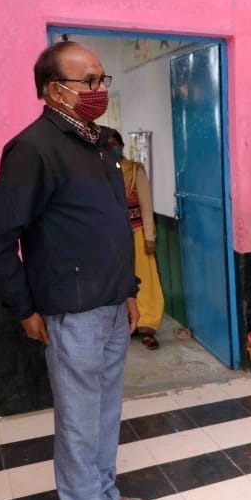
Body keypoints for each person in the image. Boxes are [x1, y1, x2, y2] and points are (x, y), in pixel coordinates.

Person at [0, 41, 155, 500]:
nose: (100, 89)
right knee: (79, 422)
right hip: (71, 311)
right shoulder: (34, 149)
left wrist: (128, 289)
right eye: (89, 81)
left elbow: (110, 226)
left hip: (111, 303)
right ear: (54, 90)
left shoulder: (98, 144)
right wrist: (23, 307)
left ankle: (103, 499)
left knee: (104, 413)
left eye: (102, 79)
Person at [107, 131, 165, 351]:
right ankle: (124, 324)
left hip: (137, 233)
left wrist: (149, 237)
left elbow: (146, 206)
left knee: (145, 279)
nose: (112, 148)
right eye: (107, 145)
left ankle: (147, 326)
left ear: (122, 146)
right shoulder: (99, 170)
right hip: (110, 237)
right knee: (116, 281)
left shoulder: (135, 170)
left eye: (115, 144)